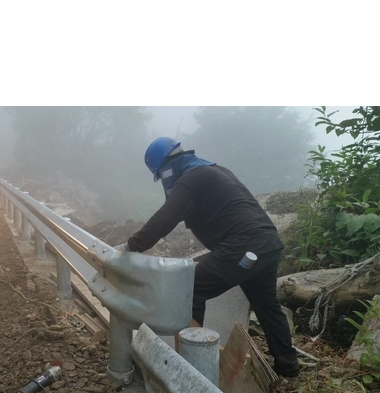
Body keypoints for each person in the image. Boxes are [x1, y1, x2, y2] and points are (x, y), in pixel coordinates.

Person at [115, 137, 300, 378]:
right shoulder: (214, 170)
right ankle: (288, 366)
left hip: (242, 245)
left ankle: (191, 369)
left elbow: (165, 218)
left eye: (161, 175)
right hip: (266, 244)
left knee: (188, 290)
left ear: (166, 167)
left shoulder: (191, 178)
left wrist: (130, 246)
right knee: (267, 305)